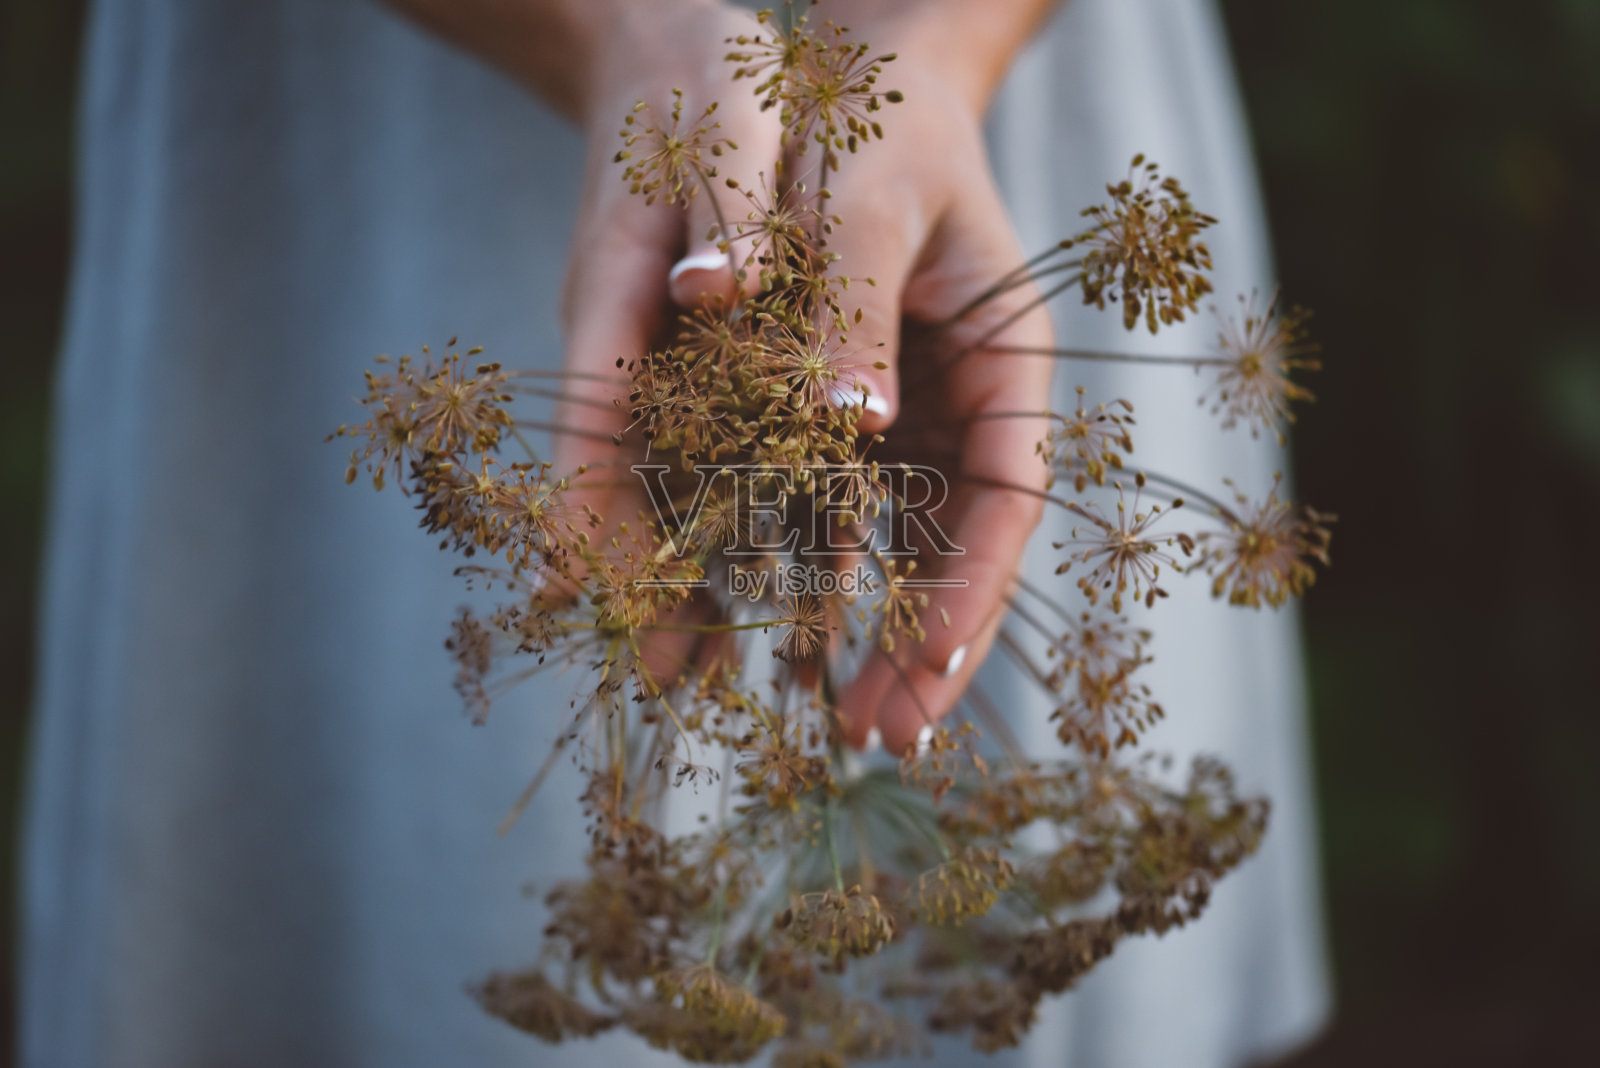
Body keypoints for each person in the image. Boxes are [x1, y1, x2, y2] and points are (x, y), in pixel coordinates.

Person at [21, 0, 1328, 1064]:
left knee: (991, 932)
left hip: (999, 155)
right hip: (361, 169)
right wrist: (602, 33)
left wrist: (944, 40)